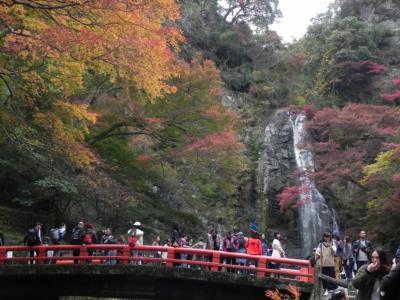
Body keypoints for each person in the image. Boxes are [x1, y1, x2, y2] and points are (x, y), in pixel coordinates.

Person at [315, 232, 337, 296]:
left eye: (329, 236)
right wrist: (318, 256)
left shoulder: (332, 243)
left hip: (331, 263)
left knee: (332, 276)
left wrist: (330, 246)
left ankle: (332, 289)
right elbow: (317, 252)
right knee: (324, 277)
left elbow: (335, 251)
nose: (327, 238)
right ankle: (326, 289)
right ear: (324, 237)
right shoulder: (320, 244)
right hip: (323, 263)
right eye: (326, 236)